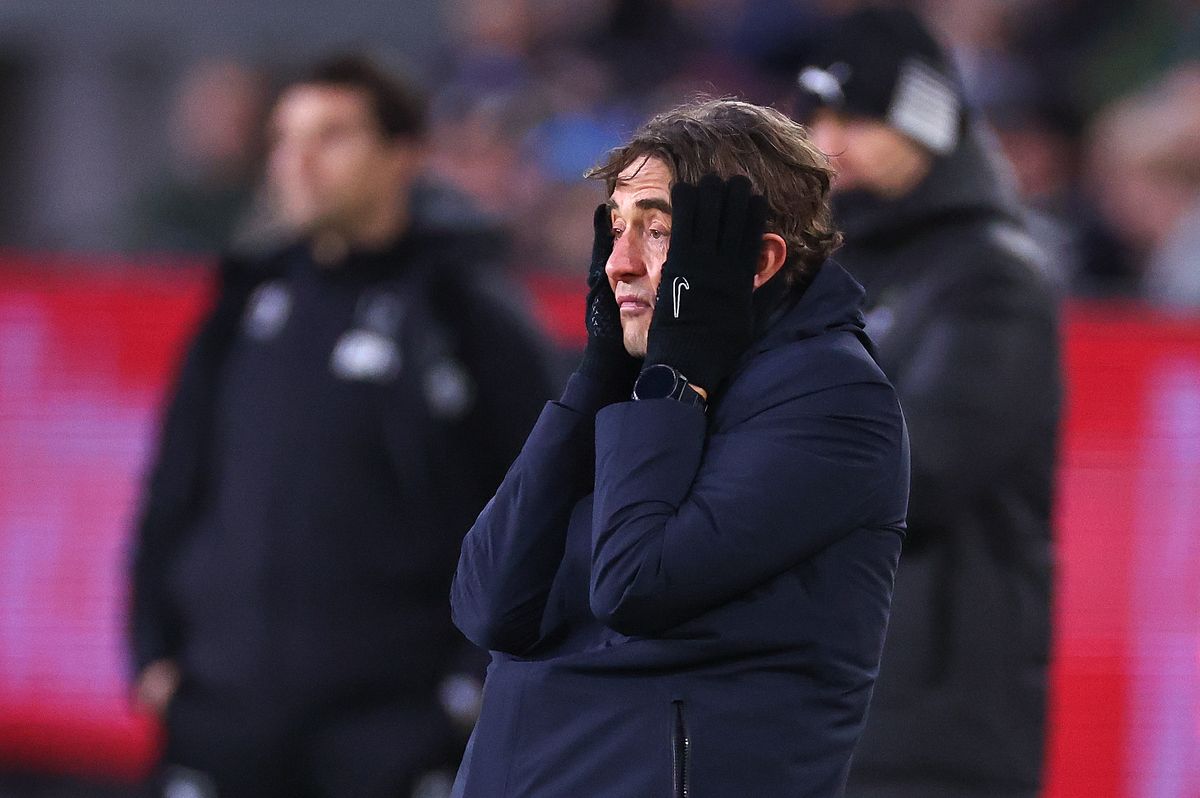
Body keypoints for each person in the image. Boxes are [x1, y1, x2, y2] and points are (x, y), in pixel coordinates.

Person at [450, 98, 910, 797]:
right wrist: (600, 370)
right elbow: (488, 604)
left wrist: (676, 375)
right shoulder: (628, 384)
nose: (617, 266)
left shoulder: (834, 402)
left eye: (656, 231)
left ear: (757, 261)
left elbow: (637, 585)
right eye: (614, 229)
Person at [128, 55, 554, 798]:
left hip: (391, 726)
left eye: (332, 136)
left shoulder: (465, 310)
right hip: (226, 715)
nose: (298, 161)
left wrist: (469, 685)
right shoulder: (241, 305)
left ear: (403, 154)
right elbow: (173, 491)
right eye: (285, 139)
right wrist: (152, 652)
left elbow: (543, 505)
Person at [795, 8, 1062, 797]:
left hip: (933, 715)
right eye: (818, 115)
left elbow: (922, 469)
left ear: (925, 120)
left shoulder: (993, 275)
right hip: (821, 694)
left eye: (858, 115)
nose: (828, 139)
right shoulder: (823, 271)